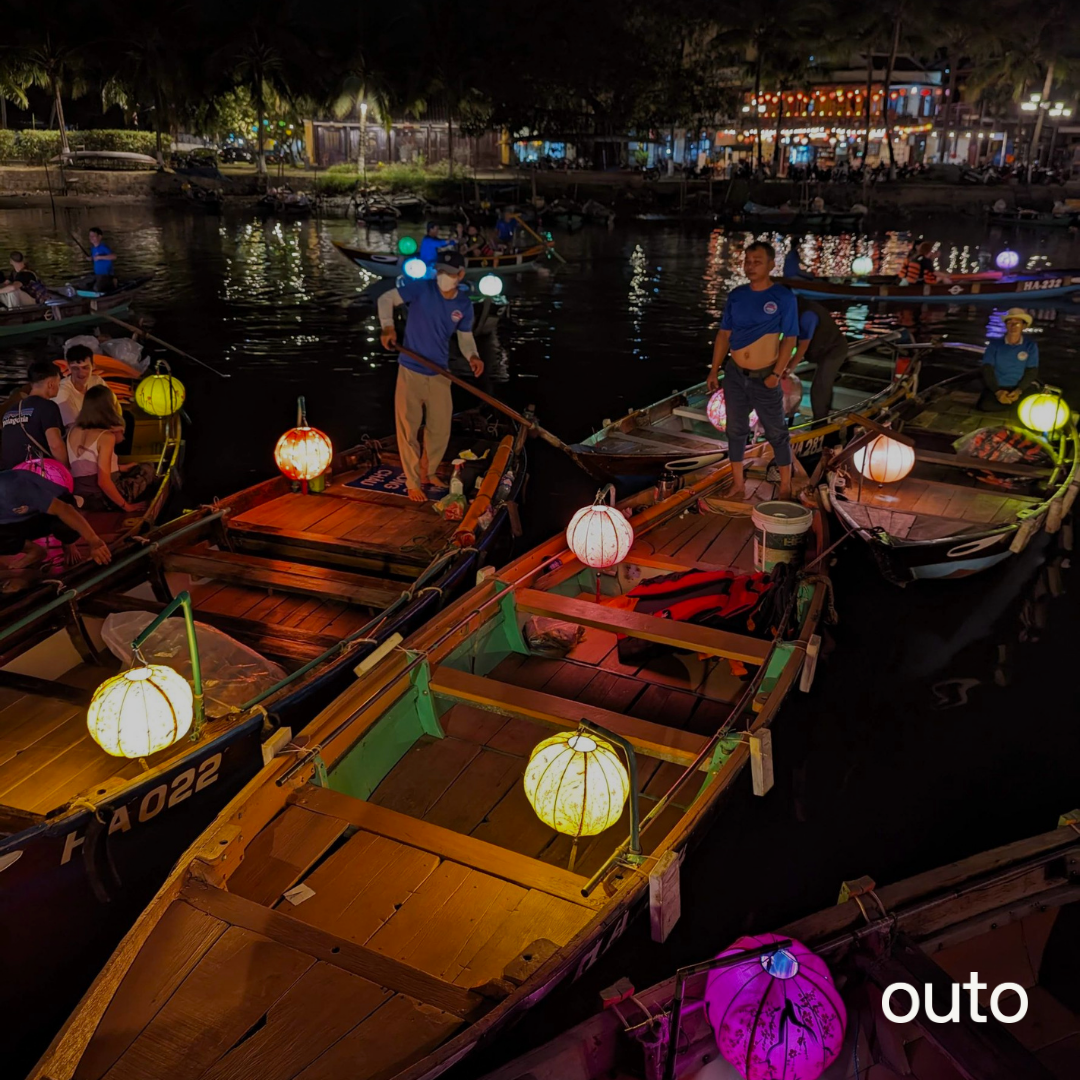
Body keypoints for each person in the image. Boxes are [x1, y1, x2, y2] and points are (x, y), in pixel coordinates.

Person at [377, 249, 484, 502]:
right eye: (440, 272)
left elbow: (465, 338)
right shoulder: (421, 289)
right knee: (408, 429)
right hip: (410, 370)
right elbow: (385, 299)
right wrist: (388, 327)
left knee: (440, 427)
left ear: (460, 274)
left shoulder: (463, 305)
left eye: (448, 273)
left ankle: (429, 472)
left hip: (439, 372)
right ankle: (413, 482)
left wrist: (473, 356)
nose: (442, 277)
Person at [707, 241, 798, 501]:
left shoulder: (782, 297)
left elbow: (790, 338)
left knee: (777, 432)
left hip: (765, 375)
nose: (750, 266)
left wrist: (776, 374)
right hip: (735, 373)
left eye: (757, 261)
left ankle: (785, 487)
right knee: (735, 430)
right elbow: (724, 334)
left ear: (771, 265)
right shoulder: (736, 295)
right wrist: (714, 370)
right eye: (747, 261)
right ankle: (737, 484)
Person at [0, 468, 111, 585]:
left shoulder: (13, 486)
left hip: (55, 507)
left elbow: (63, 509)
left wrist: (94, 541)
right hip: (19, 520)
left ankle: (68, 543)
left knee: (64, 525)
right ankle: (35, 551)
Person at [67, 385, 156, 512]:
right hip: (102, 498)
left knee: (133, 469)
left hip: (79, 495)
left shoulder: (73, 430)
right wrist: (126, 506)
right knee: (148, 468)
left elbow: (87, 465)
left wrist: (121, 468)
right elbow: (103, 482)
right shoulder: (106, 437)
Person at [1, 359, 68, 470]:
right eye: (58, 383)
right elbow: (55, 445)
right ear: (51, 384)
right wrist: (65, 471)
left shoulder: (10, 411)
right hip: (34, 475)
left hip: (9, 476)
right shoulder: (48, 406)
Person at [789, 297, 848, 419]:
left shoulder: (808, 315)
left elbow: (802, 346)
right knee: (824, 383)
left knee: (820, 387)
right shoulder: (793, 310)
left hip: (833, 349)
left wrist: (789, 367)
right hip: (819, 348)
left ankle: (820, 421)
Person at [979, 309, 1038, 412]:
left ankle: (1011, 404)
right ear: (1006, 325)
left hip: (1019, 387)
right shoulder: (994, 344)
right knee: (984, 406)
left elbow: (1031, 370)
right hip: (998, 387)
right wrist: (997, 391)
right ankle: (1012, 406)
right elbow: (987, 368)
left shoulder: (1030, 346)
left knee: (1032, 407)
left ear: (1023, 326)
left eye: (1017, 323)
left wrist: (1019, 390)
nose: (1013, 326)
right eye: (1010, 323)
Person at [55, 344, 107, 428]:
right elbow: (72, 427)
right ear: (69, 368)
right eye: (76, 368)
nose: (81, 373)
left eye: (85, 368)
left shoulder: (97, 382)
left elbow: (112, 409)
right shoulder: (62, 391)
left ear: (93, 366)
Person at [87, 227, 117, 292]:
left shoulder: (103, 247)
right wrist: (91, 258)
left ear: (99, 237)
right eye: (90, 236)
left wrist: (100, 257)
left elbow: (114, 256)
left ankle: (112, 284)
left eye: (93, 236)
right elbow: (94, 258)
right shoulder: (93, 248)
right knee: (83, 284)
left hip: (106, 275)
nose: (91, 238)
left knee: (97, 288)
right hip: (97, 275)